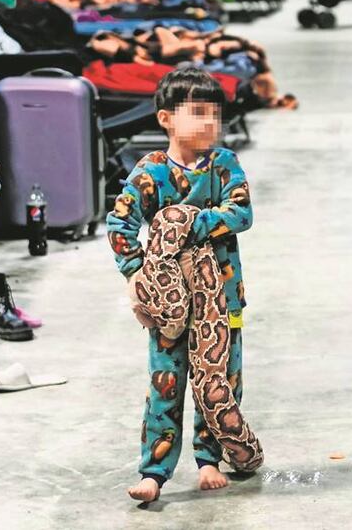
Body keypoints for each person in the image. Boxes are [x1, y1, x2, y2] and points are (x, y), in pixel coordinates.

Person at [108, 67, 254, 503]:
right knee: (165, 385)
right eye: (198, 113)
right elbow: (120, 222)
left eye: (215, 114)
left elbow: (241, 213)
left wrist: (183, 221)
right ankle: (154, 472)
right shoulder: (150, 170)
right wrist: (134, 273)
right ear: (166, 118)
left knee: (220, 382)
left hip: (223, 298)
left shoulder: (224, 164)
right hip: (167, 303)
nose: (210, 123)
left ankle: (210, 459)